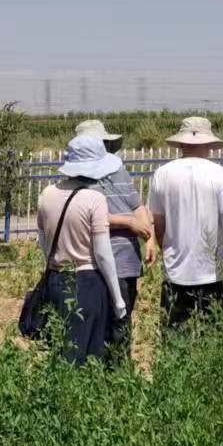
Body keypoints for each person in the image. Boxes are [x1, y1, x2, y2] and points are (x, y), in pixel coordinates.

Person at [35, 135, 129, 364]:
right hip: (88, 283)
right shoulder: (94, 199)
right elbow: (103, 253)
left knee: (61, 347)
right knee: (90, 351)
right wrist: (118, 299)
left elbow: (43, 241)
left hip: (56, 278)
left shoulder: (47, 194)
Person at [147, 116, 223, 331]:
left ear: (181, 143)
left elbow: (158, 223)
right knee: (212, 335)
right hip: (212, 273)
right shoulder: (221, 174)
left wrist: (167, 248)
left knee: (174, 334)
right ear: (208, 144)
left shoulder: (162, 174)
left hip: (175, 271)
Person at [76, 118, 154, 366]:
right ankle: (108, 373)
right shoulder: (81, 176)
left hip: (123, 260)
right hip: (100, 260)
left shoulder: (118, 170)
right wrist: (129, 223)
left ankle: (116, 374)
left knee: (119, 323)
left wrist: (149, 237)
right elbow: (89, 216)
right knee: (105, 323)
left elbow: (137, 206)